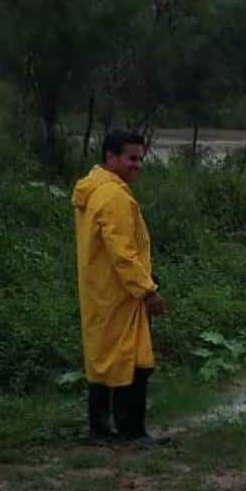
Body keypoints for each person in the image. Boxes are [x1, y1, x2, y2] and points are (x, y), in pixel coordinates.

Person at [71, 130, 168, 447]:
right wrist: (146, 289)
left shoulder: (95, 190)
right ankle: (130, 432)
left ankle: (100, 430)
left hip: (101, 291)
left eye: (141, 158)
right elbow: (122, 252)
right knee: (135, 361)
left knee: (104, 360)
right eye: (131, 158)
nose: (137, 165)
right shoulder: (112, 196)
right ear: (111, 157)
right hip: (120, 293)